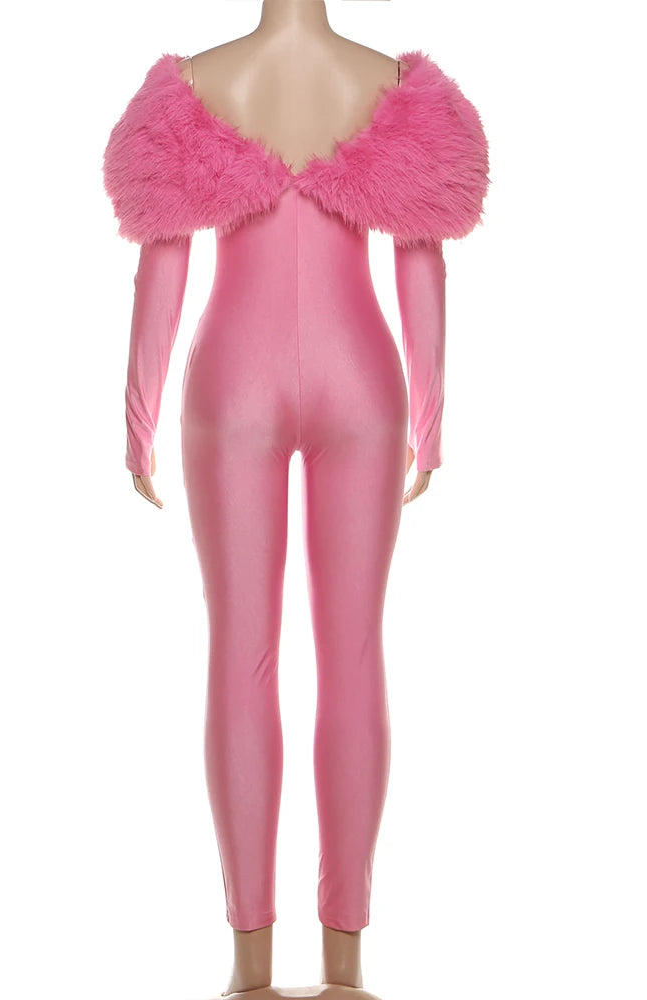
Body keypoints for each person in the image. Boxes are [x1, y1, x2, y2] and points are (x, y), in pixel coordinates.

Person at [102, 6, 489, 996]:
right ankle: (346, 969)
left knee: (241, 658)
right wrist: (431, 419)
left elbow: (162, 264)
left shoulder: (202, 84)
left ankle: (251, 970)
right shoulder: (383, 85)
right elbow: (422, 263)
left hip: (232, 385)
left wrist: (137, 421)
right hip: (364, 385)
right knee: (354, 659)